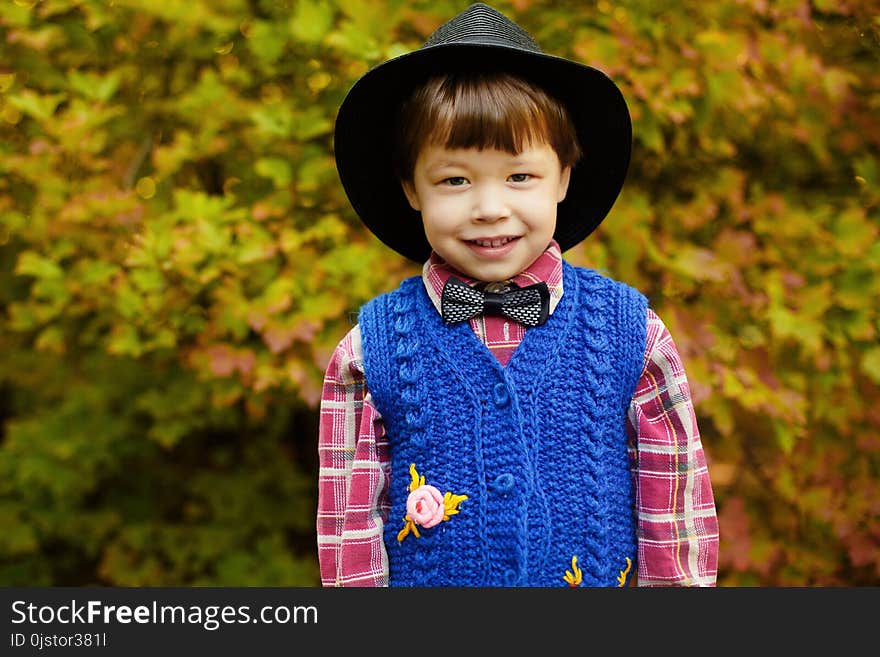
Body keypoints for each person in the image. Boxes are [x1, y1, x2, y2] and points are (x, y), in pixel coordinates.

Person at [318, 2, 719, 587]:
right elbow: (348, 533)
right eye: (454, 180)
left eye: (519, 176)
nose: (488, 208)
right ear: (411, 188)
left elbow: (676, 512)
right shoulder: (369, 351)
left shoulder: (633, 335)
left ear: (562, 177)